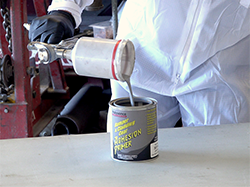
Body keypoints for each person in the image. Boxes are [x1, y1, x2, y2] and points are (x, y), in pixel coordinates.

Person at [29, 0, 250, 130]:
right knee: (130, 156)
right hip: (142, 49)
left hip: (223, 58)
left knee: (219, 162)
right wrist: (65, 8)